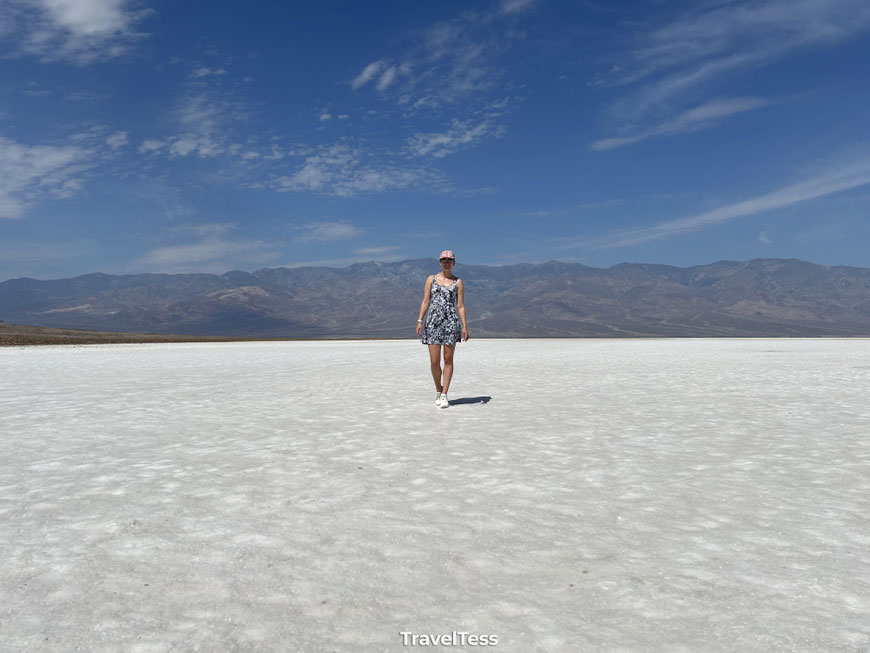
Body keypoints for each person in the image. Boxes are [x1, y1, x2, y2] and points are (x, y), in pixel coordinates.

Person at [416, 250, 469, 408]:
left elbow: (460, 305)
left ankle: (445, 394)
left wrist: (464, 325)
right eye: (444, 260)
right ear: (439, 262)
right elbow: (426, 301)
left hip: (450, 323)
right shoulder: (431, 280)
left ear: (453, 263)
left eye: (450, 260)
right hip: (433, 322)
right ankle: (438, 389)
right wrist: (420, 320)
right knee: (434, 362)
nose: (447, 262)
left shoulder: (458, 282)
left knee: (448, 359)